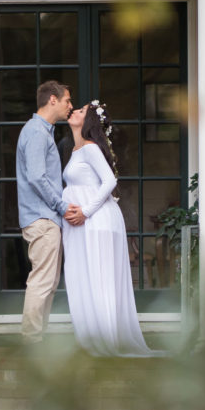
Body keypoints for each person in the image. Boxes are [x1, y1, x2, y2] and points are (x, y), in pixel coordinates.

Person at [61, 99, 151, 357]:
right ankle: (91, 339)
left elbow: (109, 181)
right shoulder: (76, 151)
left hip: (96, 222)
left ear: (88, 121)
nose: (74, 111)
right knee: (84, 278)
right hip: (81, 225)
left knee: (99, 278)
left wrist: (86, 211)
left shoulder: (89, 149)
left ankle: (106, 340)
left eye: (80, 110)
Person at [15, 80, 84, 342]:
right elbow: (36, 177)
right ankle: (31, 342)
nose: (71, 105)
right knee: (42, 282)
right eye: (68, 100)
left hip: (46, 218)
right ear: (52, 100)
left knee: (49, 284)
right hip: (42, 218)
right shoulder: (35, 132)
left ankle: (36, 339)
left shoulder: (43, 132)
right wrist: (62, 206)